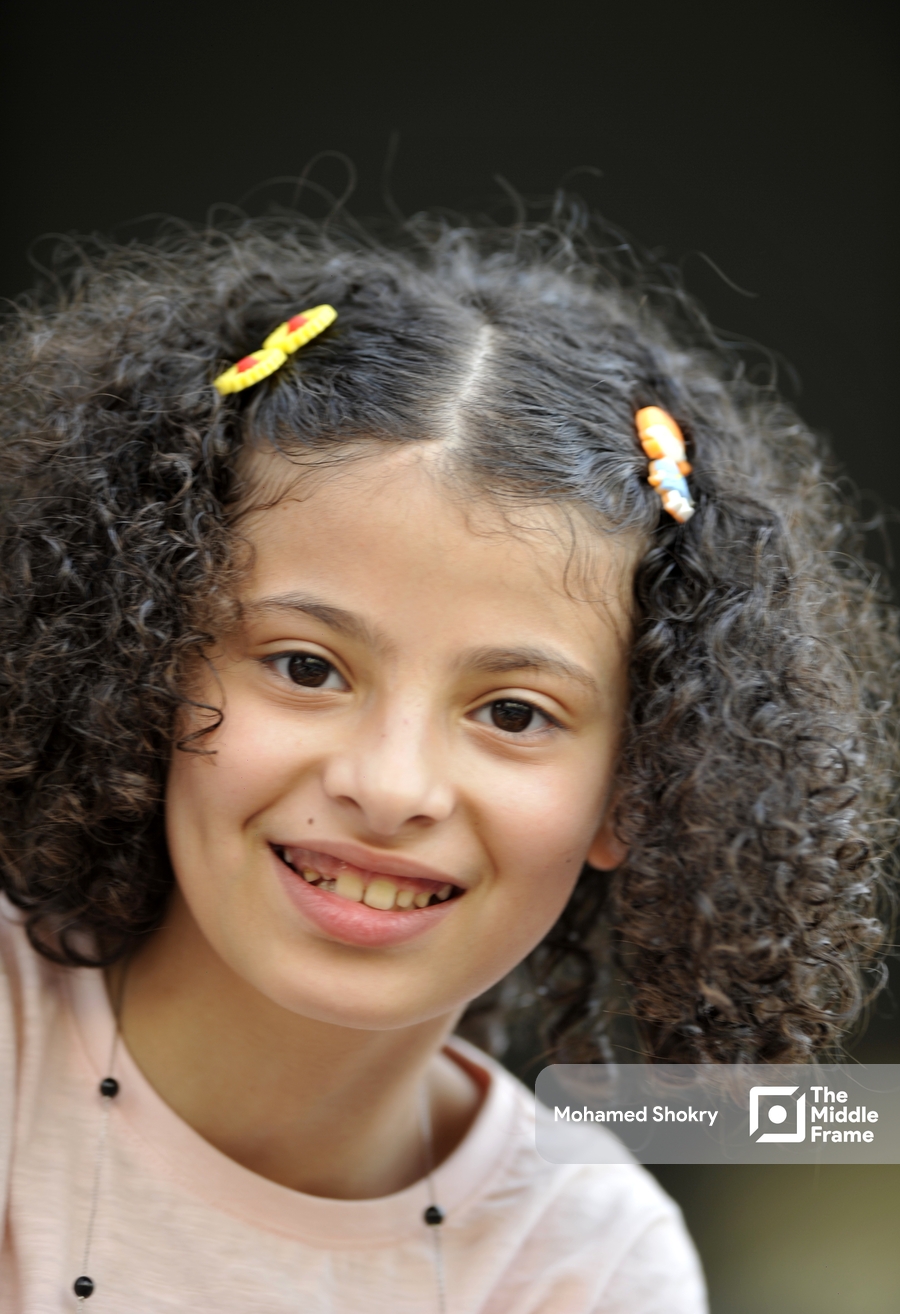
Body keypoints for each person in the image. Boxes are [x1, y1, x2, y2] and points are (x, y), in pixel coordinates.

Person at [0, 204, 894, 1312]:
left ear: (639, 784)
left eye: (514, 713)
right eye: (306, 666)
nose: (390, 785)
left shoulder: (588, 1267)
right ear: (142, 652)